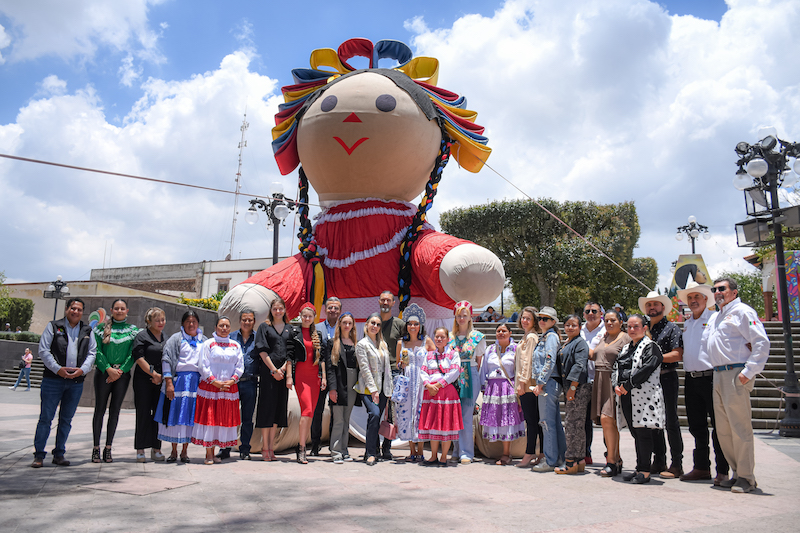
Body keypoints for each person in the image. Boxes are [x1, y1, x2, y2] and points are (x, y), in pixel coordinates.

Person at [705, 277, 769, 494]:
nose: (717, 292)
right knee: (723, 430)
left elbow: (761, 341)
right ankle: (736, 473)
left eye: (722, 289)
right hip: (718, 373)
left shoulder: (743, 311)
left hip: (735, 373)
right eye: (715, 289)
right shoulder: (716, 316)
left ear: (733, 291)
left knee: (740, 428)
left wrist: (748, 371)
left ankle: (746, 477)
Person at [31, 298, 96, 468]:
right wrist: (57, 368)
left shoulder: (87, 330)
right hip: (53, 380)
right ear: (67, 309)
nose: (76, 312)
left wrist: (83, 369)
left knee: (66, 419)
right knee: (46, 418)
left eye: (79, 309)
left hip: (76, 382)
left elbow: (92, 353)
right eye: (73, 308)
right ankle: (39, 455)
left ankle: (59, 454)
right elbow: (44, 350)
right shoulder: (53, 326)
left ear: (83, 312)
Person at [677, 280, 730, 486]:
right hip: (691, 379)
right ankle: (701, 467)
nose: (693, 301)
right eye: (690, 298)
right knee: (697, 426)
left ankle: (722, 470)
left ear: (706, 299)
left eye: (696, 297)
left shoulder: (716, 318)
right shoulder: (688, 323)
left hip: (711, 378)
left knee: (718, 426)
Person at [614, 314, 665, 484]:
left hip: (645, 398)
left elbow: (646, 368)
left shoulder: (651, 347)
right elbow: (618, 367)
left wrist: (627, 385)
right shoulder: (626, 347)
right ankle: (639, 467)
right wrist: (617, 384)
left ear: (644, 328)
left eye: (636, 326)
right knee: (636, 432)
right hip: (627, 396)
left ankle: (645, 471)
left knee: (643, 433)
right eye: (629, 326)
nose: (632, 330)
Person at [638, 290, 684, 478]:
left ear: (663, 307)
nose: (652, 307)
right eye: (649, 305)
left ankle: (677, 463)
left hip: (667, 377)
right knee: (653, 421)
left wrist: (655, 359)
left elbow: (678, 354)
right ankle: (659, 460)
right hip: (649, 380)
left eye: (655, 304)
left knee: (671, 421)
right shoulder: (643, 328)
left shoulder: (672, 328)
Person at [155, 310, 207, 463]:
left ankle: (185, 451)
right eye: (188, 321)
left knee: (189, 417)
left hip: (196, 384)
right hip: (179, 382)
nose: (191, 324)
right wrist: (168, 382)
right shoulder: (175, 339)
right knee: (175, 415)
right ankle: (173, 450)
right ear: (183, 323)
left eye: (194, 321)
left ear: (198, 323)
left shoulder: (203, 340)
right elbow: (167, 359)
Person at [192, 316, 244, 465]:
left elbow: (240, 365)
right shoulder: (208, 344)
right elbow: (203, 365)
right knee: (210, 419)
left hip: (228, 388)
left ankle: (214, 451)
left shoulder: (235, 345)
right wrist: (214, 381)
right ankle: (208, 453)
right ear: (215, 327)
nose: (224, 328)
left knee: (220, 419)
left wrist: (232, 379)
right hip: (210, 387)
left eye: (227, 326)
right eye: (221, 325)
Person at [91, 298, 138, 463]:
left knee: (115, 411)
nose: (119, 311)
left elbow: (134, 353)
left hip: (122, 375)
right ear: (111, 310)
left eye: (122, 308)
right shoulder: (99, 329)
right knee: (99, 410)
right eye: (116, 308)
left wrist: (121, 370)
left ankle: (108, 448)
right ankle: (96, 448)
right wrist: (108, 369)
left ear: (127, 311)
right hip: (103, 373)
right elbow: (96, 351)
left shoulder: (133, 331)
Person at [590, 310, 631, 477]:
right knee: (608, 423)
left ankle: (611, 461)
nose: (609, 323)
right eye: (606, 320)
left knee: (608, 419)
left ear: (620, 321)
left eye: (613, 320)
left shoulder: (626, 338)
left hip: (613, 381)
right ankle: (617, 458)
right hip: (599, 380)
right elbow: (594, 355)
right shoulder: (603, 337)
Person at [478, 322, 524, 465]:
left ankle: (506, 453)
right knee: (495, 418)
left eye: (504, 330)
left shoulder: (516, 349)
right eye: (498, 331)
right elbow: (484, 369)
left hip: (508, 388)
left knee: (506, 419)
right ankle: (498, 451)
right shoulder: (490, 349)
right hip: (492, 388)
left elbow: (519, 369)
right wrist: (483, 388)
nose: (501, 333)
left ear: (510, 333)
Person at [447, 300, 486, 465]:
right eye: (459, 315)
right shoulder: (450, 337)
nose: (462, 318)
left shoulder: (477, 337)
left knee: (466, 415)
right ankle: (456, 449)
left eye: (465, 315)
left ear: (470, 317)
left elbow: (479, 361)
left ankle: (466, 452)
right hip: (453, 377)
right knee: (453, 414)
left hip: (470, 374)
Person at [255, 296, 292, 461]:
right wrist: (274, 370)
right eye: (275, 308)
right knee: (266, 409)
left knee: (278, 409)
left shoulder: (290, 329)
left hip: (283, 375)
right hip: (268, 374)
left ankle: (272, 448)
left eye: (280, 308)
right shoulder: (264, 327)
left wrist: (283, 369)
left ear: (284, 310)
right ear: (271, 310)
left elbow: (291, 353)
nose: (278, 311)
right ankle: (264, 447)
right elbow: (262, 350)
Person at [218, 309, 258, 460]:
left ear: (254, 322)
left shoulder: (257, 339)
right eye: (244, 320)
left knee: (247, 418)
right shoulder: (231, 337)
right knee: (228, 417)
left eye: (250, 320)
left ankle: (245, 449)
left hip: (250, 383)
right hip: (232, 383)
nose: (247, 323)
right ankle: (225, 448)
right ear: (240, 321)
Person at [419, 326, 463, 466]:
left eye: (442, 337)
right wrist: (428, 385)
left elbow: (455, 372)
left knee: (446, 425)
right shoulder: (429, 355)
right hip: (431, 393)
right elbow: (423, 371)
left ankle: (444, 456)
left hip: (446, 393)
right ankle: (433, 456)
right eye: (437, 337)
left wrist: (437, 385)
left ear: (447, 340)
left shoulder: (453, 355)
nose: (439, 339)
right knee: (434, 424)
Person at [354, 312, 393, 466]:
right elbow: (364, 368)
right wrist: (373, 390)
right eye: (372, 323)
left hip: (383, 387)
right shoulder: (362, 344)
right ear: (366, 325)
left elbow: (387, 368)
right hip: (368, 388)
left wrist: (388, 390)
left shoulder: (383, 344)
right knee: (375, 414)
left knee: (375, 420)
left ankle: (372, 450)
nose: (375, 326)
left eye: (378, 324)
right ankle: (371, 452)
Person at [532, 306, 565, 472]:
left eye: (546, 319)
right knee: (553, 422)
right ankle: (558, 457)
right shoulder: (546, 336)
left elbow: (550, 361)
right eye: (540, 318)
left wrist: (540, 382)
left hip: (548, 383)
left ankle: (550, 460)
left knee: (546, 422)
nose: (542, 321)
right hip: (549, 382)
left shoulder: (550, 337)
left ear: (553, 322)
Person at [556, 315, 591, 474]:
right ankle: (579, 460)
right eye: (567, 325)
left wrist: (573, 387)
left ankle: (571, 461)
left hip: (578, 387)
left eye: (574, 325)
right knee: (575, 424)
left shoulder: (580, 343)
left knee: (572, 424)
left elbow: (580, 365)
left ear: (579, 327)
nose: (570, 328)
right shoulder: (568, 342)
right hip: (570, 386)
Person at [394, 303, 429, 462]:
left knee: (420, 412)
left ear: (420, 325)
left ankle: (420, 450)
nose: (412, 326)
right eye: (410, 323)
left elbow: (435, 359)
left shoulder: (426, 342)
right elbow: (397, 363)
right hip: (407, 381)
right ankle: (411, 450)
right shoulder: (401, 343)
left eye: (415, 324)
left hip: (421, 381)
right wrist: (401, 363)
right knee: (406, 414)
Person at [131, 307, 166, 463]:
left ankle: (156, 448)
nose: (160, 323)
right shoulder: (142, 336)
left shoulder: (166, 338)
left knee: (158, 415)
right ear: (149, 321)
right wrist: (154, 374)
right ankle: (140, 449)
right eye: (157, 320)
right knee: (143, 413)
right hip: (143, 380)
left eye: (163, 319)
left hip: (161, 381)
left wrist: (161, 377)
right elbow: (139, 358)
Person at [292, 303, 325, 464]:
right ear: (300, 316)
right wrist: (289, 377)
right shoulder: (294, 332)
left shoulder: (317, 333)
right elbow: (290, 355)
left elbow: (322, 358)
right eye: (304, 316)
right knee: (307, 411)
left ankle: (303, 445)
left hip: (315, 378)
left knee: (311, 414)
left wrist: (324, 377)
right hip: (301, 376)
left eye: (310, 316)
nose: (307, 318)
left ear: (314, 318)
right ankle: (301, 448)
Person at [325, 312, 358, 463]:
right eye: (344, 322)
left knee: (346, 419)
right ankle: (336, 451)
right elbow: (330, 368)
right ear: (340, 324)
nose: (347, 325)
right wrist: (332, 389)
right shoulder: (333, 343)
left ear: (352, 326)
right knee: (338, 419)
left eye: (349, 323)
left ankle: (344, 450)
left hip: (352, 385)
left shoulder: (356, 343)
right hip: (338, 384)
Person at [514, 306, 544, 468]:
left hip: (527, 386)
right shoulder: (527, 336)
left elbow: (528, 362)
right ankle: (541, 453)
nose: (524, 321)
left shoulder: (531, 337)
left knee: (532, 421)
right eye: (523, 318)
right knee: (534, 421)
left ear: (534, 321)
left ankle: (530, 452)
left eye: (528, 318)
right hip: (525, 385)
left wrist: (522, 383)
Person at [310, 296, 341, 456]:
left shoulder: (343, 328)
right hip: (320, 375)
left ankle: (333, 445)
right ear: (325, 310)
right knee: (317, 410)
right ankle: (315, 444)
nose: (333, 310)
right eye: (330, 307)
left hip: (337, 376)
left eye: (336, 308)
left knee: (336, 411)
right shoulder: (317, 328)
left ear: (340, 311)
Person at [378, 290, 404, 461]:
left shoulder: (400, 324)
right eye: (383, 300)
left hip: (394, 371)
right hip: (376, 371)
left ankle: (386, 447)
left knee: (391, 412)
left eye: (388, 300)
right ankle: (372, 446)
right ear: (379, 302)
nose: (385, 303)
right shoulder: (373, 321)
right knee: (375, 410)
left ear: (394, 303)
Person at [580, 301, 605, 465]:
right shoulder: (579, 329)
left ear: (600, 313)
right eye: (587, 311)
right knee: (584, 420)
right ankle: (585, 453)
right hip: (582, 381)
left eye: (594, 311)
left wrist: (588, 353)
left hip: (601, 381)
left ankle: (611, 455)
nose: (590, 313)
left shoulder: (606, 329)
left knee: (606, 419)